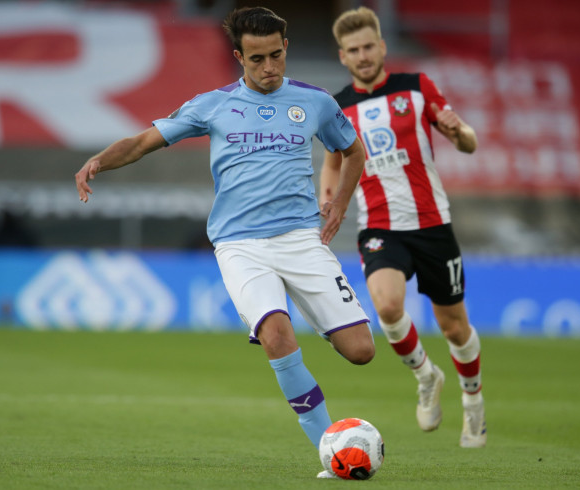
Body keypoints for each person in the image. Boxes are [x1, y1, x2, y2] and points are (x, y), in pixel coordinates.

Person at [74, 6, 374, 477]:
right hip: (240, 244)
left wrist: (338, 202)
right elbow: (142, 142)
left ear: (286, 48)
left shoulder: (314, 102)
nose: (270, 68)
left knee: (361, 351)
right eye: (257, 59)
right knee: (276, 333)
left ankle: (319, 323)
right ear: (239, 56)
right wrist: (98, 161)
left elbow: (352, 149)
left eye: (276, 56)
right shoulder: (212, 105)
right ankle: (329, 448)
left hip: (300, 238)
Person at [320, 6, 486, 448]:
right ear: (342, 56)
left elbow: (468, 142)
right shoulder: (338, 106)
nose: (363, 55)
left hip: (432, 224)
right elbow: (332, 163)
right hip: (379, 226)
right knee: (388, 307)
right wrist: (329, 196)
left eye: (368, 46)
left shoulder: (416, 88)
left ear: (382, 47)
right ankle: (426, 376)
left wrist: (457, 132)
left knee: (454, 327)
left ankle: (473, 401)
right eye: (353, 50)